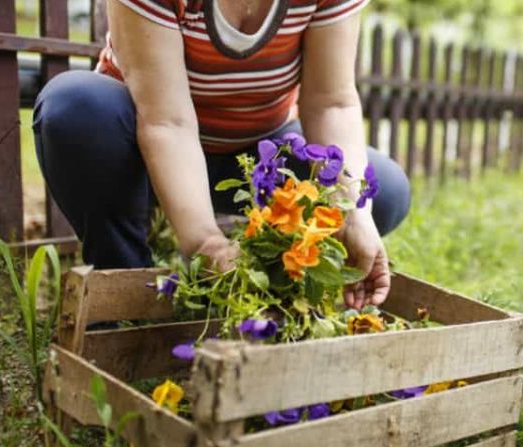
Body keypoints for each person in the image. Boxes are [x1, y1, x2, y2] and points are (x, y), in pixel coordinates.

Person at [32, 0, 410, 308]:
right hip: (139, 150)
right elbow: (167, 122)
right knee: (75, 108)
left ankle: (274, 288)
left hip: (256, 153)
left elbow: (331, 103)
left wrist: (352, 209)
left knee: (384, 191)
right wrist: (205, 242)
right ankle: (122, 288)